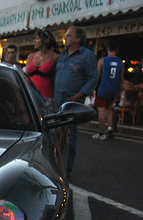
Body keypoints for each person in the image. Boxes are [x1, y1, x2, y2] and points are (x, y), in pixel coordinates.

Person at [54, 26, 98, 176]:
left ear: (78, 39)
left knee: (69, 135)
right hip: (57, 99)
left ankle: (67, 168)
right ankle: (55, 164)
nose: (65, 38)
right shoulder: (63, 54)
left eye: (68, 35)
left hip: (72, 100)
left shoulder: (87, 56)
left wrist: (80, 94)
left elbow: (92, 78)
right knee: (55, 134)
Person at [92, 41, 123, 140]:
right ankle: (110, 127)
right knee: (110, 108)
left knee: (101, 110)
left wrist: (93, 88)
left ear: (107, 49)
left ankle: (101, 133)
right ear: (116, 50)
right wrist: (119, 91)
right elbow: (121, 79)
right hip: (114, 89)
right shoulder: (120, 62)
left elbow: (97, 76)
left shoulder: (102, 61)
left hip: (103, 89)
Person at [26, 29, 59, 98]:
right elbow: (25, 76)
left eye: (37, 38)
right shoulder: (31, 56)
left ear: (45, 41)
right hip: (30, 93)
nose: (34, 41)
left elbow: (58, 78)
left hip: (46, 94)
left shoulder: (55, 57)